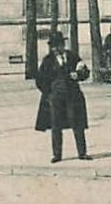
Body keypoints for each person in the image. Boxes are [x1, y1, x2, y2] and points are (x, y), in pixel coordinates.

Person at [34, 31, 91, 163]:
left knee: (77, 123)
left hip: (73, 96)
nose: (55, 49)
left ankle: (82, 153)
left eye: (57, 45)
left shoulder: (73, 57)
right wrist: (48, 94)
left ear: (62, 45)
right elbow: (40, 80)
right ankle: (57, 155)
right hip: (56, 97)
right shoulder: (48, 61)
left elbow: (85, 72)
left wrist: (79, 75)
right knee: (56, 125)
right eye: (53, 46)